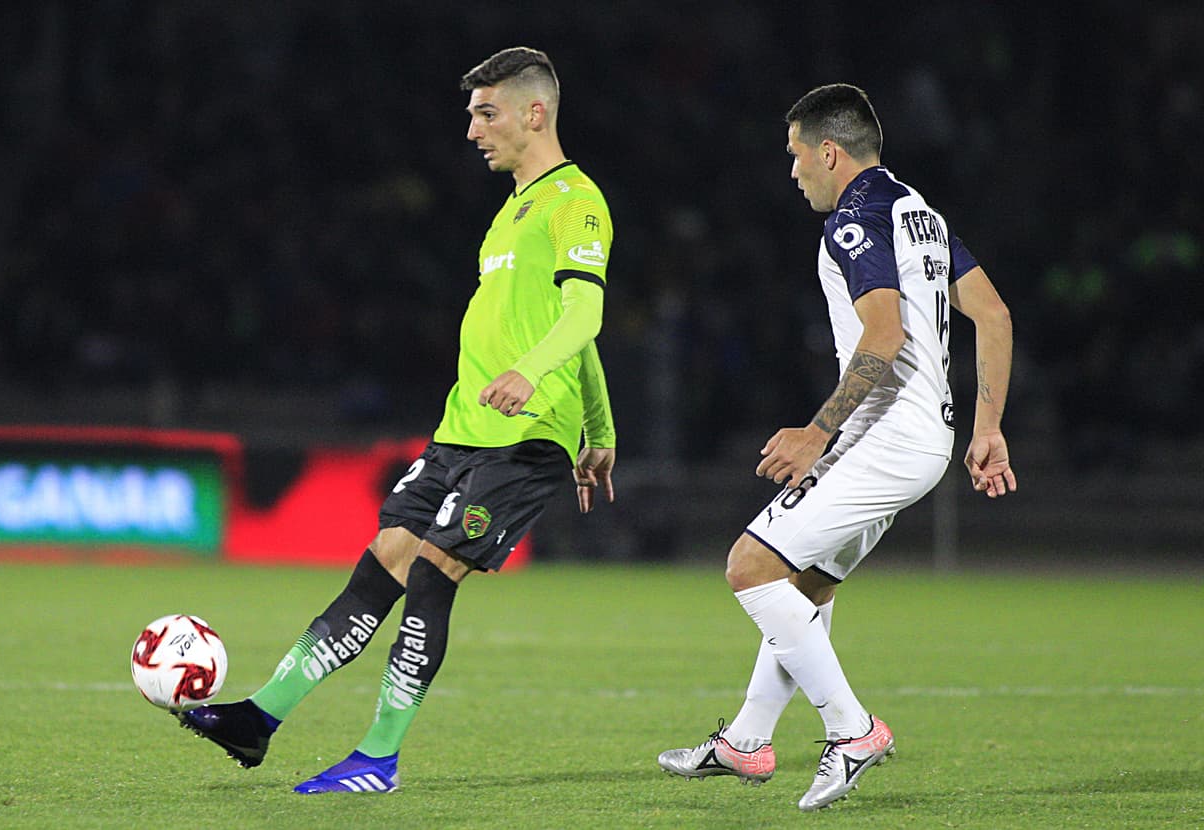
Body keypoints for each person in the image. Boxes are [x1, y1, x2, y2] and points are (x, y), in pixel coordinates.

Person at [177, 46, 618, 794]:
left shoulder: (577, 202)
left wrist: (541, 385)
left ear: (534, 112)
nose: (474, 131)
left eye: (487, 114)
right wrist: (602, 433)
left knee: (432, 574)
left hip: (524, 437)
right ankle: (259, 719)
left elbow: (586, 312)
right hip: (461, 431)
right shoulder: (512, 211)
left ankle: (378, 757)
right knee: (383, 560)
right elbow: (575, 334)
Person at [656, 83, 1015, 811]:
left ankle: (851, 731)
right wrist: (988, 428)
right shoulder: (919, 211)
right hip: (923, 435)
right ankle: (747, 741)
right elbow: (996, 315)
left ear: (829, 151)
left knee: (750, 566)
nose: (793, 173)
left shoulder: (853, 218)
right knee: (805, 588)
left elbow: (886, 334)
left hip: (885, 435)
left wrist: (817, 432)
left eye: (796, 156)